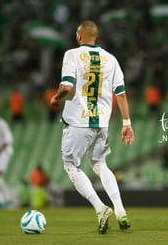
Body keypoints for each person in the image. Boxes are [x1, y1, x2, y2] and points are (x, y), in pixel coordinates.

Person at [50, 20, 134, 234]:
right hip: (102, 122)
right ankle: (121, 210)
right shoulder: (111, 59)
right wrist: (127, 123)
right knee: (100, 163)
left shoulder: (72, 55)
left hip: (79, 121)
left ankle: (100, 208)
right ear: (96, 36)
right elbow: (121, 94)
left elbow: (66, 86)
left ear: (79, 36)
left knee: (71, 165)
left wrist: (56, 97)